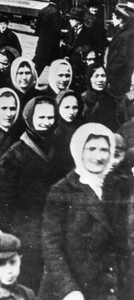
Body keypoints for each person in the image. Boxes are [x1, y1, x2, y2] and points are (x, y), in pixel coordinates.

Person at [39, 124, 129, 300]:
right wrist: (69, 289)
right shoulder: (63, 190)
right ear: (79, 151)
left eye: (104, 149)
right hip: (71, 291)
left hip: (107, 289)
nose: (98, 156)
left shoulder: (116, 188)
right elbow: (51, 247)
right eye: (91, 149)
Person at [0, 96, 66, 291]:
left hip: (55, 223)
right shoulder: (14, 155)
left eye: (50, 117)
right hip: (26, 227)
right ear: (29, 118)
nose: (46, 122)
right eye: (40, 117)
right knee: (30, 280)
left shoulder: (60, 147)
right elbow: (4, 199)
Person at [0, 231, 37, 300]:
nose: (9, 270)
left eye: (13, 262)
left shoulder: (27, 294)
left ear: (20, 260)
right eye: (1, 263)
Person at [106, 5, 134, 95]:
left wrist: (110, 72)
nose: (111, 19)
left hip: (120, 77)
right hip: (117, 76)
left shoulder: (126, 35)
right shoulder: (121, 31)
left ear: (120, 19)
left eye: (113, 17)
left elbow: (124, 58)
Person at [33, 0, 63, 75]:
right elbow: (57, 30)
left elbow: (37, 29)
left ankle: (33, 80)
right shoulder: (56, 13)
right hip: (52, 44)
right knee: (56, 65)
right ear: (57, 2)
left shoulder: (42, 11)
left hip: (42, 43)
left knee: (39, 65)